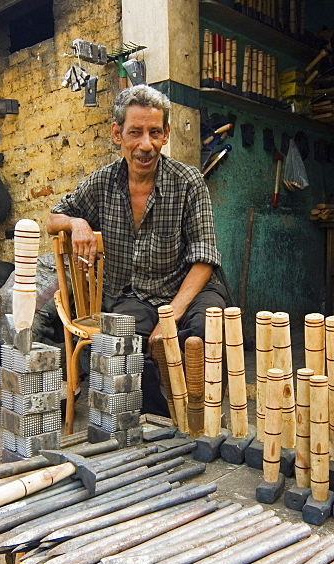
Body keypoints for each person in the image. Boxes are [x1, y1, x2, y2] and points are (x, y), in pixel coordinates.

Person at [48, 85, 229, 416]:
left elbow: (204, 259)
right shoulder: (103, 183)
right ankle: (162, 420)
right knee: (120, 339)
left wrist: (171, 315)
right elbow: (52, 218)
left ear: (166, 134)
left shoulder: (188, 181)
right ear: (118, 134)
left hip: (188, 289)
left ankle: (203, 413)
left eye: (154, 133)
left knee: (208, 328)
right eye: (136, 132)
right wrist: (77, 224)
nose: (146, 145)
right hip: (135, 294)